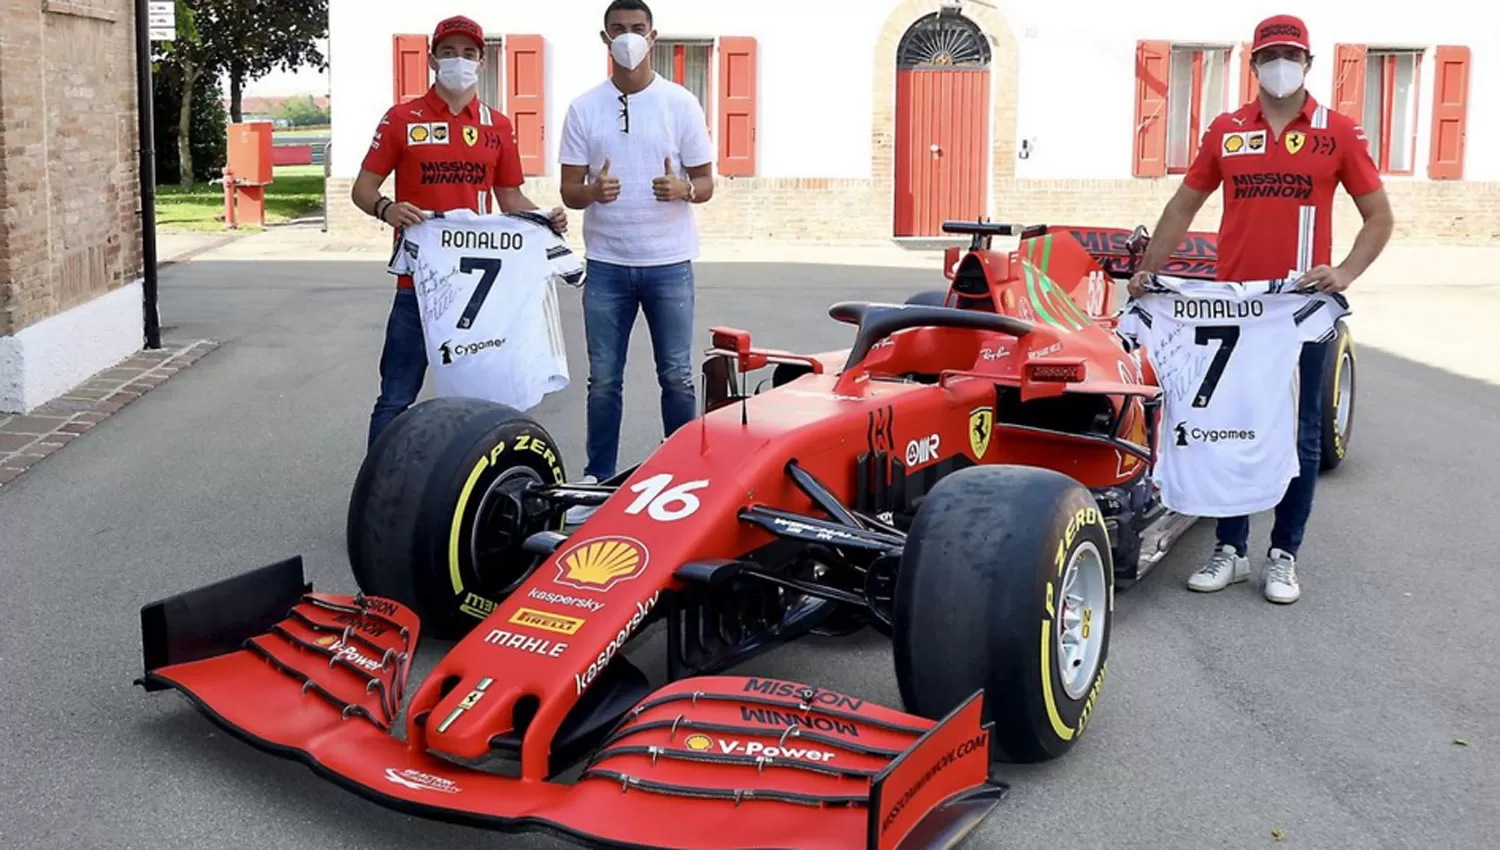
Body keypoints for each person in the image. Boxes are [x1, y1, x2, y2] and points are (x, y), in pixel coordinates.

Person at [1126, 13, 1393, 604]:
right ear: (1253, 65)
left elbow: (1380, 218)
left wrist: (1344, 274)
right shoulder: (1226, 130)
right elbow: (1181, 208)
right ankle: (1231, 549)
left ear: (1308, 63)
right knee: (1231, 425)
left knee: (1299, 437)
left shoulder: (1338, 133)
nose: (1280, 66)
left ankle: (1284, 555)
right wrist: (1149, 269)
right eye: (1270, 55)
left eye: (1291, 55)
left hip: (1300, 309)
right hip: (1234, 310)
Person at [351, 14, 567, 450]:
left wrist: (545, 219)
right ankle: (378, 491)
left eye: (468, 54)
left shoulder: (498, 125)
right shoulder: (401, 118)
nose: (458, 62)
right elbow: (363, 188)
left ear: (481, 63)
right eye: (448, 52)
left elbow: (510, 199)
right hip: (418, 284)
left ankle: (470, 484)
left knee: (482, 398)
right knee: (396, 397)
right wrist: (387, 208)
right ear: (432, 60)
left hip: (479, 293)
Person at [556, 0, 715, 524]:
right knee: (604, 379)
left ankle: (682, 480)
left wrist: (684, 188)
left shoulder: (680, 103)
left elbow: (708, 183)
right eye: (619, 30)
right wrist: (591, 191)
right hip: (606, 263)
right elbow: (568, 190)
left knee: (677, 376)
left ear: (653, 36)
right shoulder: (584, 108)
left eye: (637, 29)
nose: (628, 38)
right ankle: (598, 483)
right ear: (605, 39)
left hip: (669, 262)